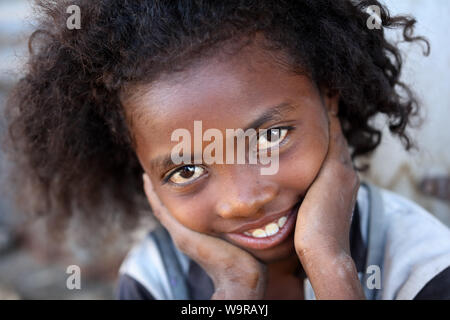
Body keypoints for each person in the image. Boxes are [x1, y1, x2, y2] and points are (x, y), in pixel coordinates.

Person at [4, 0, 449, 300]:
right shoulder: (155, 281)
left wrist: (331, 271)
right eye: (186, 170)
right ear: (141, 170)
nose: (244, 200)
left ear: (328, 97)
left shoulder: (420, 263)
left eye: (270, 138)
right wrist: (235, 290)